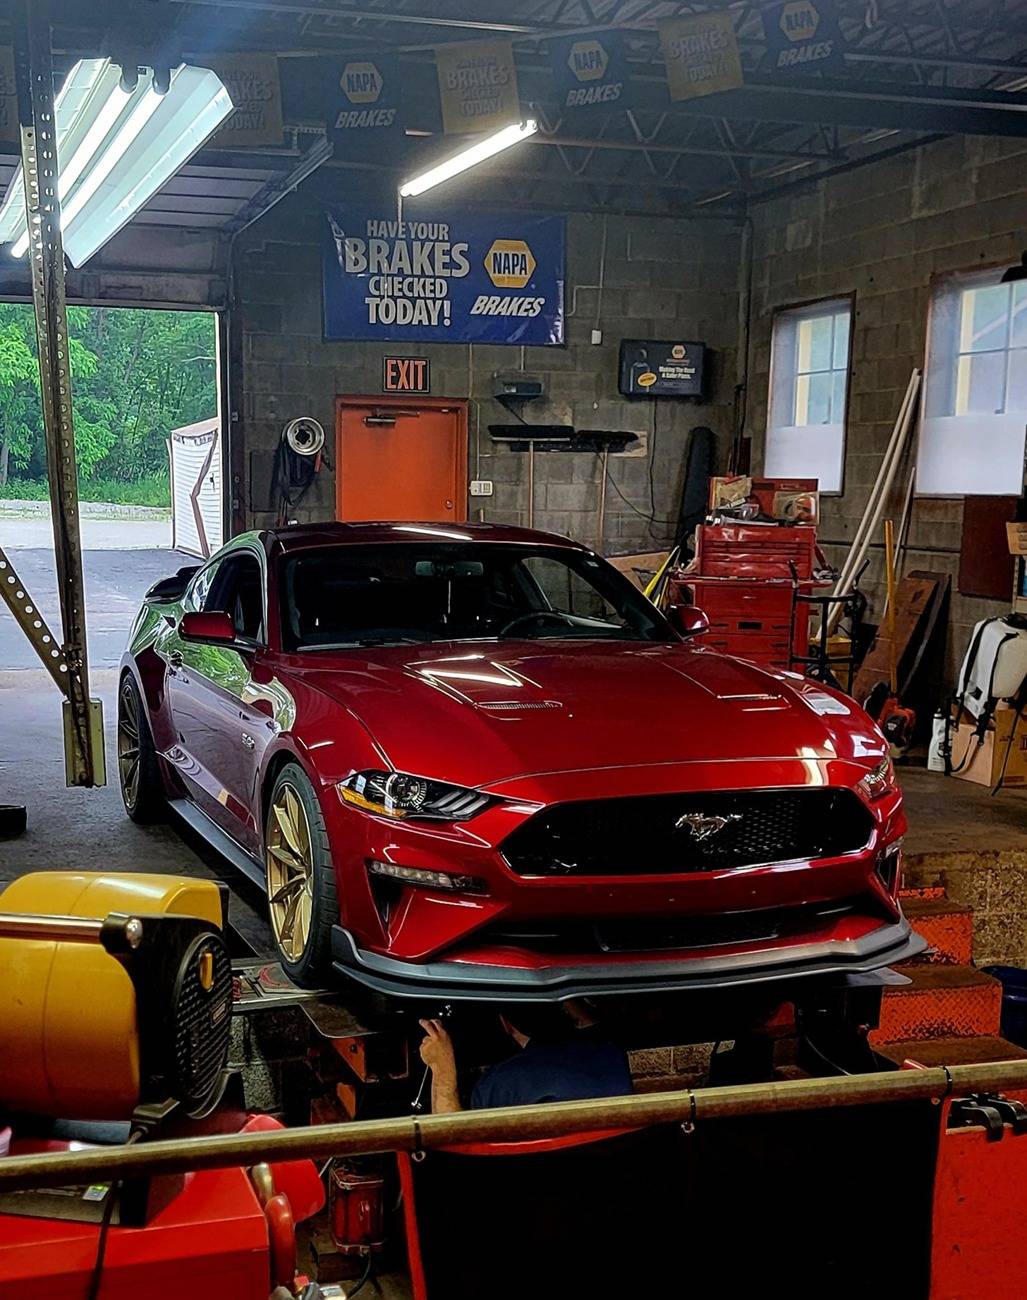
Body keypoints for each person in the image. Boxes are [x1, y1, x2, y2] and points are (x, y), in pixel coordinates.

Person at [417, 1001, 633, 1113]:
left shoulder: (498, 1083)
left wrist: (442, 1068)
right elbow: (592, 1024)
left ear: (506, 1024)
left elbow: (453, 1142)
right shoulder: (610, 1051)